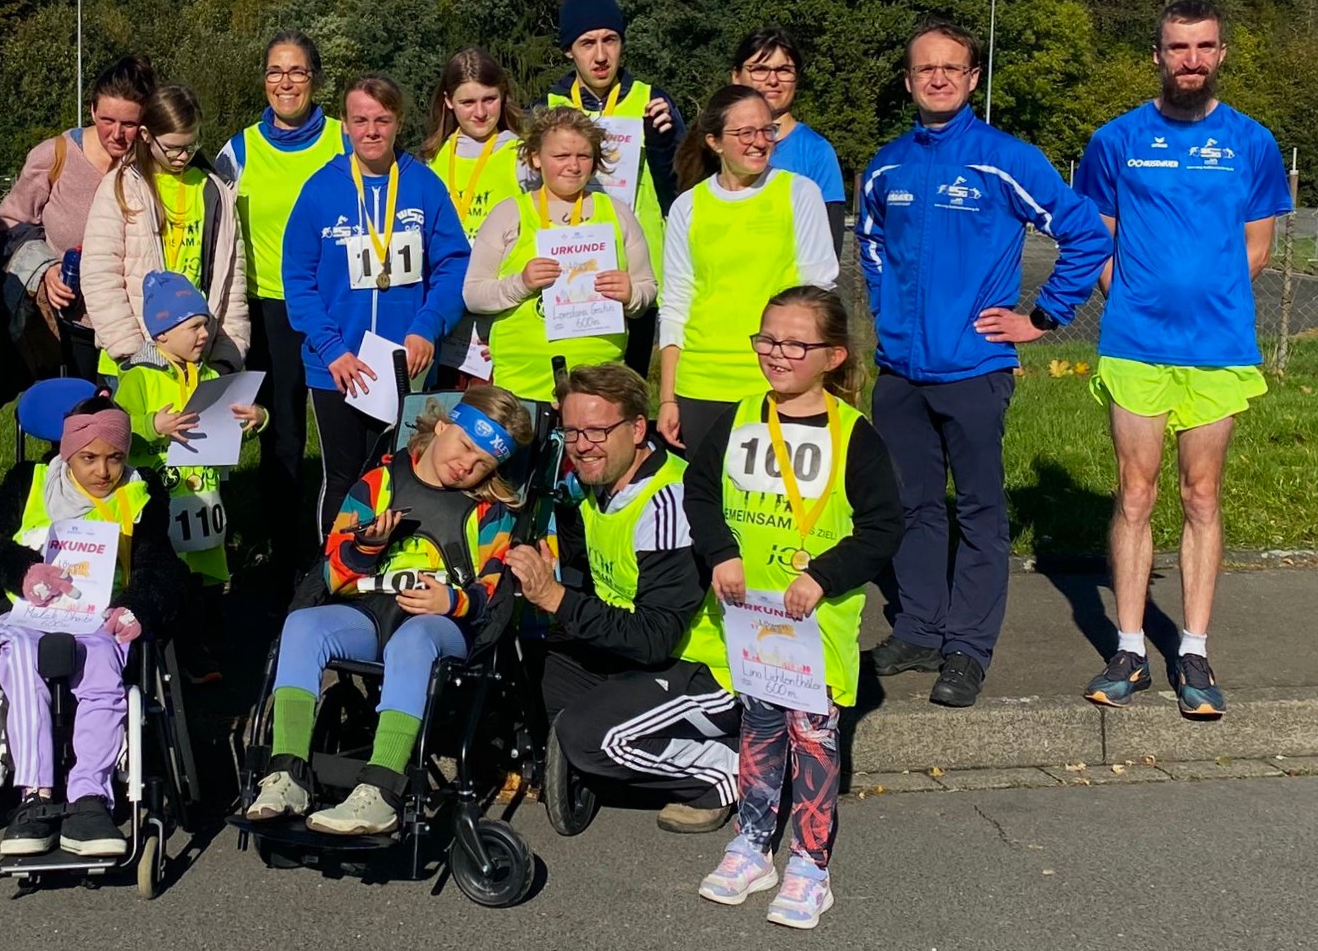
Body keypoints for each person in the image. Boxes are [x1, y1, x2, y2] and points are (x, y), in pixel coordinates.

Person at [858, 17, 1109, 708]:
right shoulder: (885, 164)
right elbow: (872, 247)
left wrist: (1042, 318)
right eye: (924, 68)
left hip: (974, 370)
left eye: (952, 68)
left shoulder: (1007, 159)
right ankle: (919, 627)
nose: (937, 78)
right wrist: (889, 315)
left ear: (971, 79)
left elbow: (1084, 235)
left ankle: (967, 647)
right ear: (908, 80)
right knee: (910, 505)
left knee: (979, 510)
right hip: (902, 371)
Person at [1073, 0, 1293, 719]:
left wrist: (1207, 300)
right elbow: (1099, 238)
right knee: (1135, 494)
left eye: (1203, 47)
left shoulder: (1253, 143)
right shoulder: (1116, 140)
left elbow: (1256, 247)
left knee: (1202, 496)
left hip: (1219, 348)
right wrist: (1134, 299)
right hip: (1136, 346)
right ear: (1157, 56)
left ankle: (1192, 648)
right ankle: (1130, 648)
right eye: (1177, 48)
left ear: (1222, 53)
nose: (1190, 60)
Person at [685, 287, 903, 930]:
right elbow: (700, 492)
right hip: (751, 613)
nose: (776, 354)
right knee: (756, 725)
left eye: (794, 344)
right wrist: (721, 554)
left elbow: (884, 525)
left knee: (813, 736)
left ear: (832, 356)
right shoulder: (739, 415)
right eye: (767, 339)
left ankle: (810, 861)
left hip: (817, 620)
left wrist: (827, 576)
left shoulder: (853, 434)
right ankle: (753, 842)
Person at [244, 387, 535, 835]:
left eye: (483, 463)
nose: (467, 465)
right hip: (369, 609)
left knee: (414, 639)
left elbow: (490, 596)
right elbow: (332, 575)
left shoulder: (490, 511)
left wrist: (449, 601)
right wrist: (366, 547)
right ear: (441, 426)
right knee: (303, 624)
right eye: (464, 447)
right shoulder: (379, 482)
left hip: (442, 625)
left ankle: (379, 792)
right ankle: (287, 774)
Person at [507, 363, 740, 835]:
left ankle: (724, 771)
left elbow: (655, 638)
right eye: (572, 432)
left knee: (586, 735)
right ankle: (604, 760)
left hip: (704, 670)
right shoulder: (597, 485)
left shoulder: (668, 501)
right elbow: (574, 546)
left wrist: (557, 598)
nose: (583, 445)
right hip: (639, 657)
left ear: (637, 429)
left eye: (597, 430)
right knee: (530, 663)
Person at [0, 397, 187, 857]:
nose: (103, 471)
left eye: (115, 458)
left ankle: (89, 796)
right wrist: (20, 569)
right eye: (89, 458)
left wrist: (137, 606)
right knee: (20, 662)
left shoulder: (139, 493)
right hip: (28, 615)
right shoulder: (30, 484)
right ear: (67, 454)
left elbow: (162, 567)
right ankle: (34, 795)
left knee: (102, 663)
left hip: (99, 616)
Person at [281, 75, 471, 538]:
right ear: (343, 125)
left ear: (398, 122)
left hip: (407, 363)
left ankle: (392, 569)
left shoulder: (424, 186)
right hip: (339, 365)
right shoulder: (320, 190)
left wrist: (428, 326)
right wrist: (330, 349)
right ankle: (332, 574)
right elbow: (298, 279)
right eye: (360, 120)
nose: (371, 131)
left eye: (382, 120)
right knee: (344, 478)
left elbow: (453, 265)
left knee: (402, 472)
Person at [215, 32, 350, 566]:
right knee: (282, 434)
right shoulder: (239, 150)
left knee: (350, 433)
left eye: (297, 71)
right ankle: (285, 552)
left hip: (337, 306)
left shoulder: (346, 139)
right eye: (275, 71)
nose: (285, 82)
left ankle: (353, 544)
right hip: (268, 308)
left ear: (315, 78)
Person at [659, 85, 837, 457]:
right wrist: (667, 399)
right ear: (715, 142)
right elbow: (675, 306)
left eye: (767, 130)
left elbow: (818, 292)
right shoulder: (687, 208)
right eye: (745, 133)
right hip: (700, 385)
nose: (760, 142)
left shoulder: (799, 194)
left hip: (777, 382)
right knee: (704, 506)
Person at [115, 272, 267, 683]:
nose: (205, 334)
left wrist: (256, 419)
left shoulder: (213, 379)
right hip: (163, 502)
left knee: (207, 574)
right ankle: (182, 652)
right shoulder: (138, 378)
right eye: (194, 326)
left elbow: (228, 425)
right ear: (162, 332)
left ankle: (204, 640)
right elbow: (115, 431)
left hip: (205, 501)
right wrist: (152, 425)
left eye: (206, 324)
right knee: (173, 576)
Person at [464, 107, 656, 402]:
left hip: (600, 383)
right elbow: (474, 294)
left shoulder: (617, 214)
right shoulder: (508, 214)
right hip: (521, 384)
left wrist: (631, 294)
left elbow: (647, 289)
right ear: (536, 158)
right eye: (561, 156)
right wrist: (521, 283)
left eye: (583, 156)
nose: (573, 166)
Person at [0, 55, 160, 381]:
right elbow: (10, 222)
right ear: (92, 110)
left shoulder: (154, 164)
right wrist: (45, 271)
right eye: (107, 120)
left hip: (140, 330)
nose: (116, 134)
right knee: (77, 427)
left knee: (136, 427)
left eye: (129, 125)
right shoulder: (56, 155)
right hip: (69, 328)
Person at [543, 0, 674, 378]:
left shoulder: (654, 102)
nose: (600, 55)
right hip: (568, 277)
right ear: (569, 50)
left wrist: (665, 145)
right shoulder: (547, 107)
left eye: (609, 40)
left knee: (627, 391)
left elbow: (679, 192)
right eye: (587, 43)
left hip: (635, 272)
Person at [81, 83, 248, 381]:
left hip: (199, 362)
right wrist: (135, 353)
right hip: (132, 365)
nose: (183, 156)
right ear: (146, 136)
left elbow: (232, 283)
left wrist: (226, 357)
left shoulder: (216, 192)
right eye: (173, 148)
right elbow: (99, 277)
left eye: (192, 145)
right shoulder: (120, 188)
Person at [419, 48, 526, 387]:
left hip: (499, 322)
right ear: (448, 101)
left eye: (489, 99)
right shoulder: (433, 159)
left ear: (503, 94)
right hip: (445, 320)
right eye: (468, 102)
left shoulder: (522, 156)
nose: (480, 113)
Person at [732, 28, 848, 255]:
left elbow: (828, 249)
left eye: (784, 70)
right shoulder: (714, 146)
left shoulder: (816, 152)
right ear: (736, 76)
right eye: (760, 69)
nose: (772, 80)